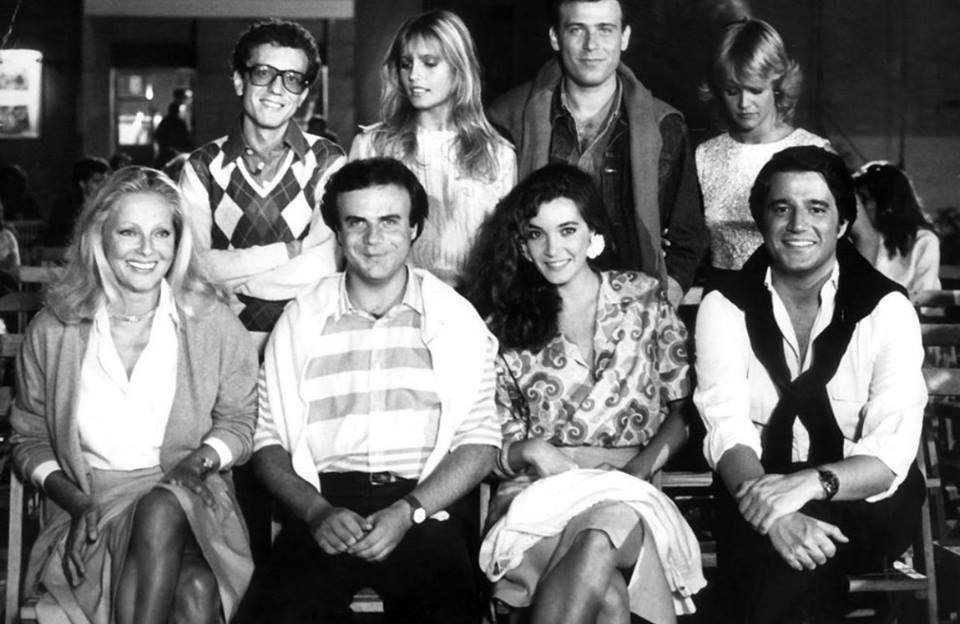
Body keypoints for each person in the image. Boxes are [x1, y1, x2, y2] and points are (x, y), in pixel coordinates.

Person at [248, 157, 500, 623]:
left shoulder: (456, 319)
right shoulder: (301, 319)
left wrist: (409, 511)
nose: (373, 239)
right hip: (323, 504)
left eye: (389, 221)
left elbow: (480, 444)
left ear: (414, 228)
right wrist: (315, 512)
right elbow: (267, 444)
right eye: (356, 223)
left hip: (425, 506)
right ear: (337, 232)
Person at [10, 166, 258, 624]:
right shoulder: (55, 329)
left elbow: (240, 422)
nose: (147, 249)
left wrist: (197, 463)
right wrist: (76, 501)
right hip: (91, 508)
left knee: (162, 504)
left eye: (161, 233)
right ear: (100, 236)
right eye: (129, 232)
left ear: (178, 242)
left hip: (189, 495)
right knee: (197, 590)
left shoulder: (211, 322)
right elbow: (28, 440)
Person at [694, 146, 926, 623]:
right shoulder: (724, 306)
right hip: (756, 488)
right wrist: (777, 511)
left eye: (817, 208)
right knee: (788, 564)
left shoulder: (887, 309)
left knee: (784, 558)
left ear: (842, 224)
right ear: (761, 220)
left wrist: (808, 486)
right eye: (782, 208)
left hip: (864, 502)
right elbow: (726, 428)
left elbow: (890, 453)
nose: (798, 224)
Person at [465, 163, 704, 624]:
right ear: (521, 244)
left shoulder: (643, 297)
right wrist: (532, 450)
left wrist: (637, 471)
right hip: (538, 493)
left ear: (593, 232)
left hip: (629, 487)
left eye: (567, 230)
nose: (553, 249)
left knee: (600, 535)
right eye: (536, 234)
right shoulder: (504, 324)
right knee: (608, 596)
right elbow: (484, 443)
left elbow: (684, 411)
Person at [488, 0, 707, 307]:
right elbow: (496, 235)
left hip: (634, 308)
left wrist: (658, 307)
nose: (591, 45)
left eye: (605, 29)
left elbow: (688, 237)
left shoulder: (664, 126)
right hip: (535, 306)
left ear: (624, 37)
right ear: (555, 37)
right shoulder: (507, 119)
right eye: (577, 29)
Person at [180, 18, 345, 351]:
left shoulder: (328, 161)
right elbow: (194, 267)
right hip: (222, 345)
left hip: (306, 344)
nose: (276, 89)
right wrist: (290, 251)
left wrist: (232, 279)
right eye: (263, 73)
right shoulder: (201, 166)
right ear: (239, 81)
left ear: (303, 95)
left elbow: (323, 267)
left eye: (292, 79)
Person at [350, 10, 516, 287]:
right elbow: (350, 241)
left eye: (429, 63)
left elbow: (504, 252)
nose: (414, 75)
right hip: (390, 301)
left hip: (473, 303)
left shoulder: (497, 154)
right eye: (406, 64)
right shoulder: (372, 146)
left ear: (459, 69)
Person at [696, 18, 831, 271]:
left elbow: (864, 237)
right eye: (732, 91)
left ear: (777, 87)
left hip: (792, 292)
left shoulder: (814, 151)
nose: (744, 103)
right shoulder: (705, 155)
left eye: (755, 90)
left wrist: (849, 293)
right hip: (722, 290)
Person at [851, 160, 940, 297]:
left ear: (889, 203)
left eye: (864, 199)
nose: (858, 208)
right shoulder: (853, 238)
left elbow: (924, 297)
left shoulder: (923, 240)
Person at [45, 156, 110, 247]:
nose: (103, 186)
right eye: (97, 182)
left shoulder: (111, 204)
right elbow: (57, 237)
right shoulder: (65, 206)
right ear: (82, 184)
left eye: (105, 182)